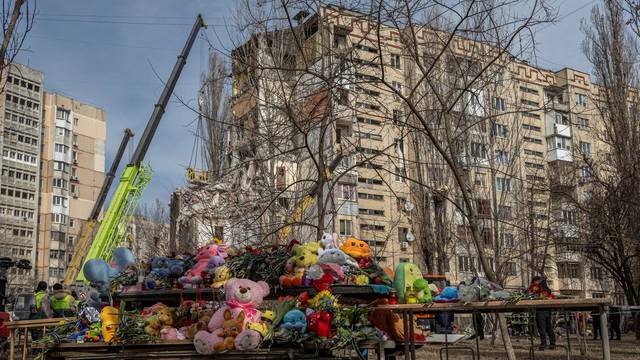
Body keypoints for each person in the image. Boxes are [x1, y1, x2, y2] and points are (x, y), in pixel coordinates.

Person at [528, 276, 556, 350]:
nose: (534, 283)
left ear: (537, 281)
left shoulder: (541, 289)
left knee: (542, 329)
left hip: (541, 311)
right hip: (547, 311)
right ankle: (552, 344)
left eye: (535, 282)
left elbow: (537, 296)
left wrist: (533, 294)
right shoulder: (546, 289)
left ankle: (543, 345)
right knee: (548, 328)